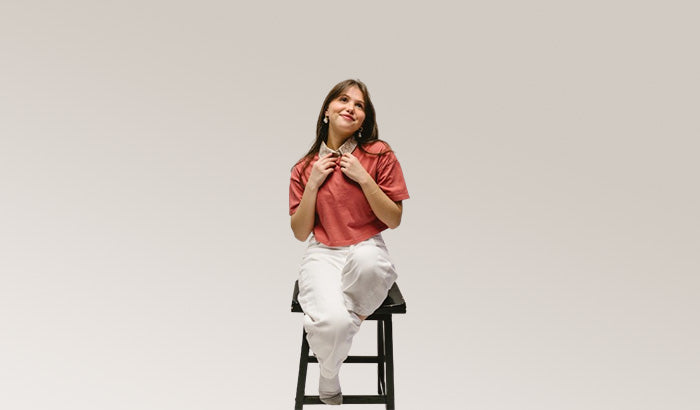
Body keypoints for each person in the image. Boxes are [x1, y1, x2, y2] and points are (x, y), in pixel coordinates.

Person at [289, 79, 409, 405]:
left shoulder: (378, 154)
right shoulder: (303, 168)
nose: (351, 108)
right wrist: (313, 183)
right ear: (327, 110)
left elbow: (394, 219)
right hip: (324, 252)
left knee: (368, 266)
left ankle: (346, 325)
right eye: (343, 100)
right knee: (333, 322)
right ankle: (329, 374)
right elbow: (301, 232)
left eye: (359, 105)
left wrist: (363, 177)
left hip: (366, 246)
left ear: (363, 118)